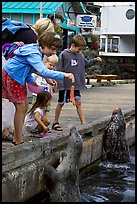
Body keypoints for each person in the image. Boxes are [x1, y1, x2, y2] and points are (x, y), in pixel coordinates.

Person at [2, 32, 75, 146]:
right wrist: (64, 75)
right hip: (13, 77)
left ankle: (18, 137)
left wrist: (46, 79)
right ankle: (18, 139)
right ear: (44, 45)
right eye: (52, 49)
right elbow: (43, 70)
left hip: (17, 77)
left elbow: (35, 68)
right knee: (20, 107)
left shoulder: (35, 50)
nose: (53, 52)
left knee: (25, 106)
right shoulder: (35, 54)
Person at [2, 18, 55, 141]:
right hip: (10, 71)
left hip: (10, 67)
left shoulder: (26, 30)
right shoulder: (32, 39)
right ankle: (13, 135)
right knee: (16, 105)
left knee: (16, 104)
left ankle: (10, 129)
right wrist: (47, 77)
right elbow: (34, 65)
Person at [52, 34, 102, 131]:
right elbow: (58, 70)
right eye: (78, 49)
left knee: (78, 102)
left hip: (76, 85)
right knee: (61, 103)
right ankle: (55, 122)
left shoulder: (80, 55)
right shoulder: (64, 54)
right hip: (66, 85)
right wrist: (59, 84)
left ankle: (83, 122)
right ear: (73, 45)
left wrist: (95, 60)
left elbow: (86, 64)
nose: (79, 52)